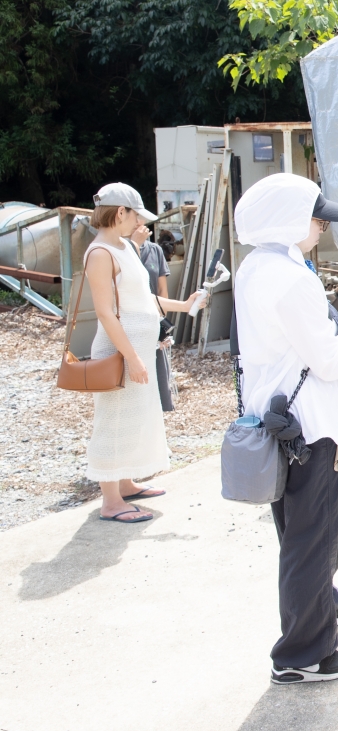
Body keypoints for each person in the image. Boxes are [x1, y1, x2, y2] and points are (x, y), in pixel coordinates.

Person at [233, 173, 338, 684]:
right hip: (316, 426)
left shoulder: (257, 267)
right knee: (315, 535)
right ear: (287, 221)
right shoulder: (293, 277)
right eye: (317, 218)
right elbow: (327, 361)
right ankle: (304, 652)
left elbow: (298, 343)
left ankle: (320, 603)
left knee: (303, 530)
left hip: (284, 423)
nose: (322, 227)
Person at [83, 183, 205, 523]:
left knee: (134, 417)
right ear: (120, 212)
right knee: (113, 421)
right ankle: (110, 501)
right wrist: (132, 358)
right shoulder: (100, 253)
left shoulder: (123, 247)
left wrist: (183, 305)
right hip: (119, 352)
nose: (139, 222)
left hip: (136, 348)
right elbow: (106, 313)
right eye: (135, 214)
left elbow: (141, 299)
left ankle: (125, 483)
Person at [130, 221, 175, 411]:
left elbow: (162, 290)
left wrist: (160, 320)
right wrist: (134, 245)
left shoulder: (155, 250)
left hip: (153, 322)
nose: (138, 222)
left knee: (157, 383)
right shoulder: (119, 249)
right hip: (130, 324)